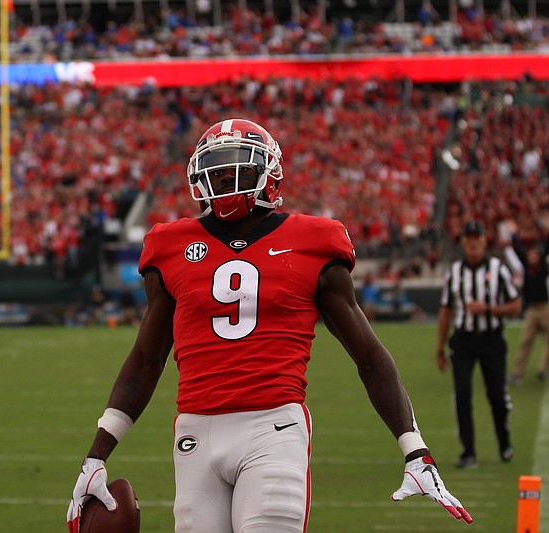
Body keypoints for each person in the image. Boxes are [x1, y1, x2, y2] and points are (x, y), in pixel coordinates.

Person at [67, 118, 472, 532]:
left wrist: (413, 447)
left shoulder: (314, 239)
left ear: (270, 173)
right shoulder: (169, 245)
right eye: (216, 170)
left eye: (235, 168)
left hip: (272, 426)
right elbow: (145, 361)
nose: (224, 179)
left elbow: (368, 355)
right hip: (194, 431)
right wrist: (97, 454)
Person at [436, 220, 522, 469]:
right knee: (462, 394)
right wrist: (439, 348)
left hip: (492, 339)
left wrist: (489, 309)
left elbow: (516, 307)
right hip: (463, 340)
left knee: (496, 395)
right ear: (463, 241)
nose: (473, 242)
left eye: (477, 237)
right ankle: (468, 451)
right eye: (469, 237)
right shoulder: (454, 272)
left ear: (485, 240)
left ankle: (504, 441)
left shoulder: (498, 269)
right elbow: (445, 310)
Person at [505, 242, 549, 385]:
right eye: (530, 255)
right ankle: (517, 373)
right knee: (526, 341)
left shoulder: (544, 268)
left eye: (535, 254)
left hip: (545, 308)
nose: (532, 257)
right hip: (532, 309)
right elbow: (516, 251)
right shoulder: (526, 268)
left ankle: (543, 369)